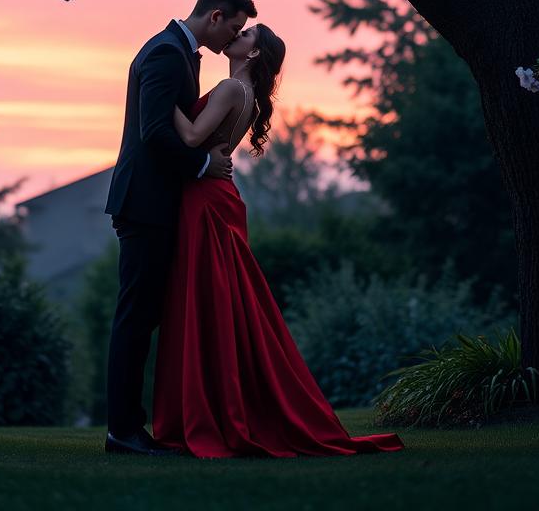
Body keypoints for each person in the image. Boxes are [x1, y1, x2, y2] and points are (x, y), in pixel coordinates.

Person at [152, 23, 405, 458]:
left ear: (254, 53)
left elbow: (193, 138)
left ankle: (207, 411)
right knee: (217, 302)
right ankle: (215, 404)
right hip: (217, 198)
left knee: (204, 301)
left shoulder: (233, 88)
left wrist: (155, 99)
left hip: (206, 202)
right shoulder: (247, 96)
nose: (236, 34)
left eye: (247, 34)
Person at [103, 0, 257, 456]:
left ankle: (134, 426)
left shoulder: (178, 52)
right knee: (136, 315)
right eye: (233, 25)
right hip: (146, 204)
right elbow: (154, 132)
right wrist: (203, 164)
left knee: (146, 315)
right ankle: (123, 431)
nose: (233, 36)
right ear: (214, 16)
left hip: (158, 203)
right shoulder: (168, 53)